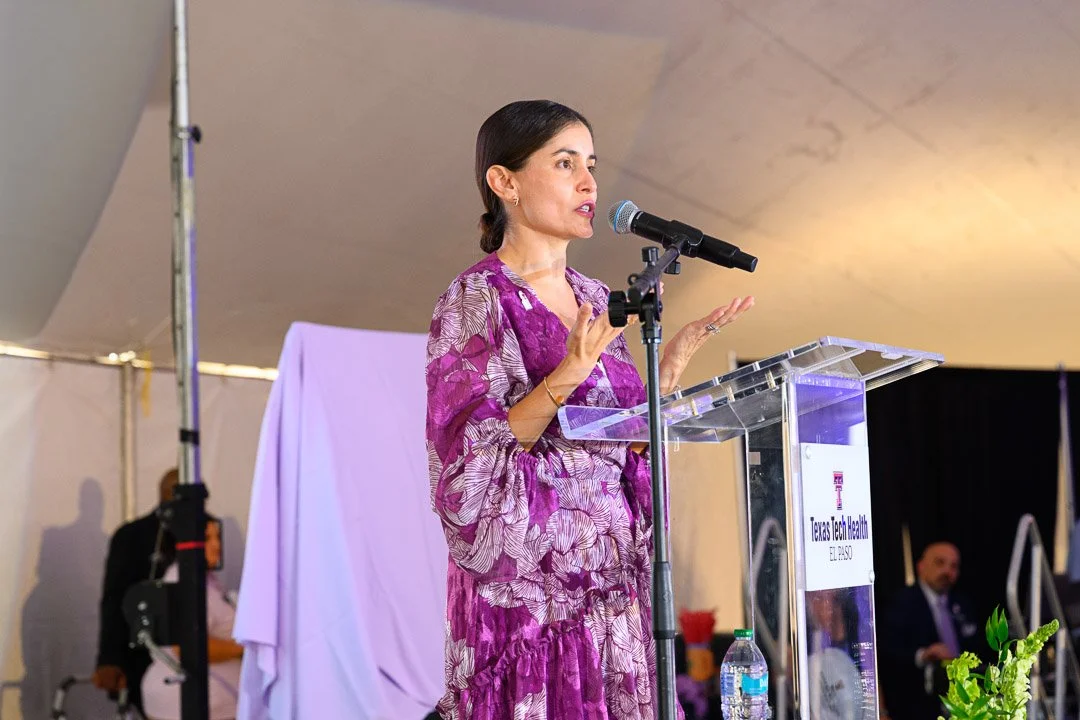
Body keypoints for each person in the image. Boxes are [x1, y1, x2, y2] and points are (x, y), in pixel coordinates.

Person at [425, 99, 753, 720]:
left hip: (613, 597)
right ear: (505, 182)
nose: (588, 183)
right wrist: (567, 374)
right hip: (533, 611)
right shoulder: (476, 298)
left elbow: (618, 443)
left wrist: (666, 373)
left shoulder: (596, 299)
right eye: (565, 163)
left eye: (591, 165)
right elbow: (467, 468)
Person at [93, 468, 180, 712]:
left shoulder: (206, 534)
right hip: (144, 657)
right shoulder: (132, 536)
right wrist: (110, 659)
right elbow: (114, 600)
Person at [141, 515, 243, 720]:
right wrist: (244, 649)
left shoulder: (207, 581)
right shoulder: (182, 582)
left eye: (218, 537)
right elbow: (187, 647)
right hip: (188, 703)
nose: (217, 545)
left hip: (217, 701)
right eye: (207, 538)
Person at [880, 541, 982, 720]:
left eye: (954, 566)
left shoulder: (963, 604)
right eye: (939, 563)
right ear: (921, 567)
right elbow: (887, 652)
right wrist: (923, 654)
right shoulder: (901, 603)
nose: (947, 571)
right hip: (916, 702)